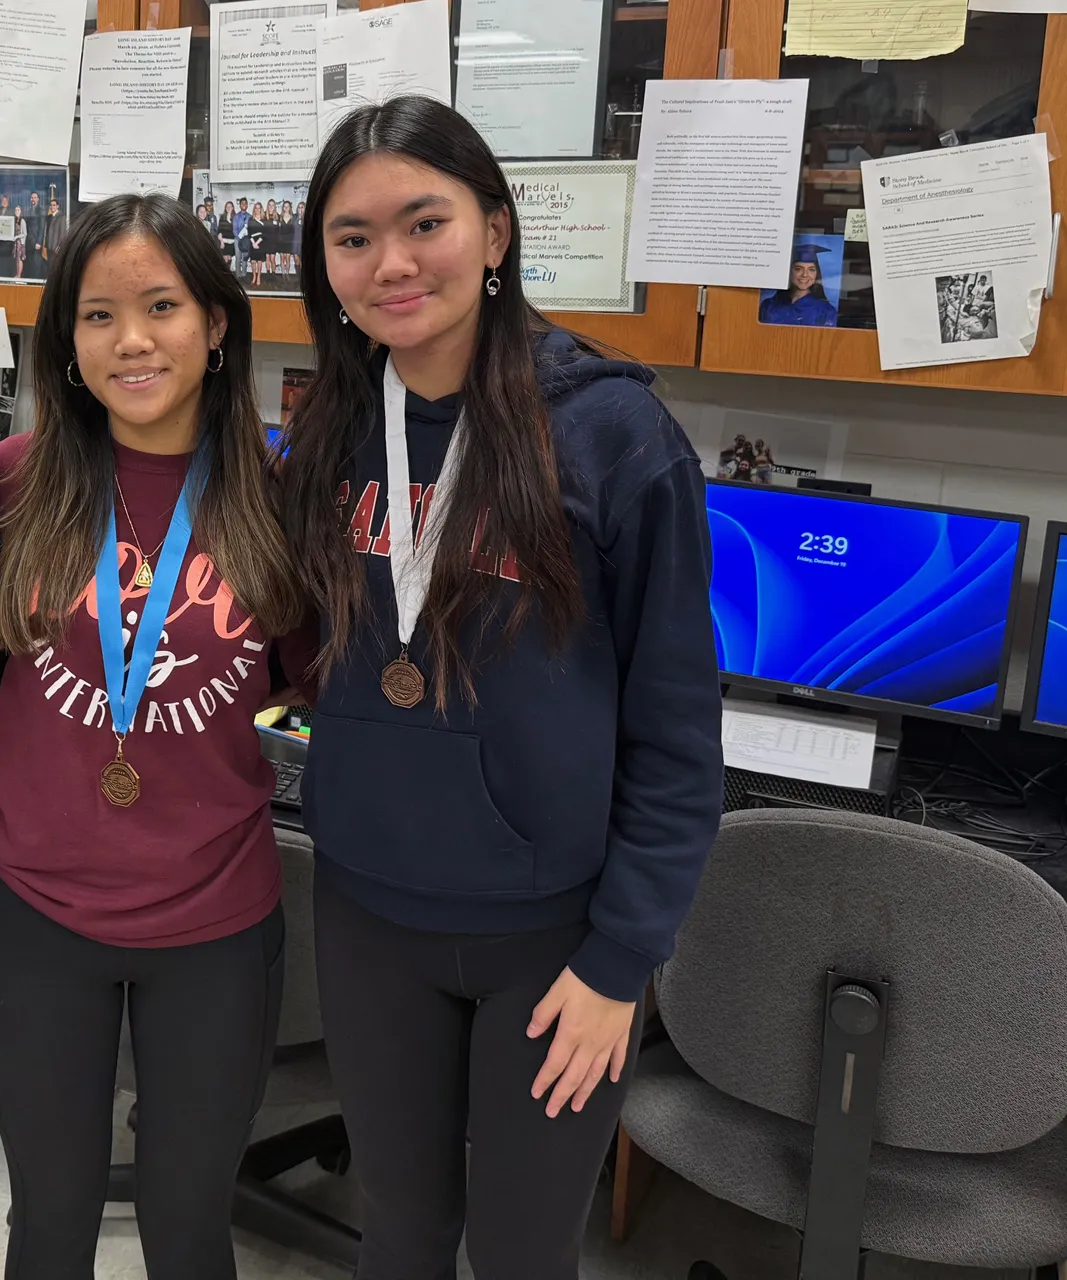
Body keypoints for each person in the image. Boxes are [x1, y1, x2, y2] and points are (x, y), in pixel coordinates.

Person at [276, 96, 722, 1279]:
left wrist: (623, 961)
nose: (394, 261)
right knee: (402, 1234)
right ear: (325, 262)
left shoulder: (615, 436)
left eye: (426, 220)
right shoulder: (324, 431)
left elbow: (676, 732)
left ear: (497, 231)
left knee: (524, 1252)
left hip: (552, 942)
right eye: (353, 236)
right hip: (369, 915)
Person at [0, 192, 304, 1280]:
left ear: (216, 323)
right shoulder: (11, 482)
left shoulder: (280, 492)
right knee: (49, 1220)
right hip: (34, 913)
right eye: (98, 314)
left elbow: (310, 683)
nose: (131, 340)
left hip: (214, 918)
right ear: (65, 342)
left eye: (161, 305)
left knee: (190, 1224)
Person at [758, 242, 838, 326]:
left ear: (817, 274)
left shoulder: (826, 311)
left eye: (811, 269)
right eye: (798, 269)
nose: (805, 275)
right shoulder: (769, 305)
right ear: (788, 272)